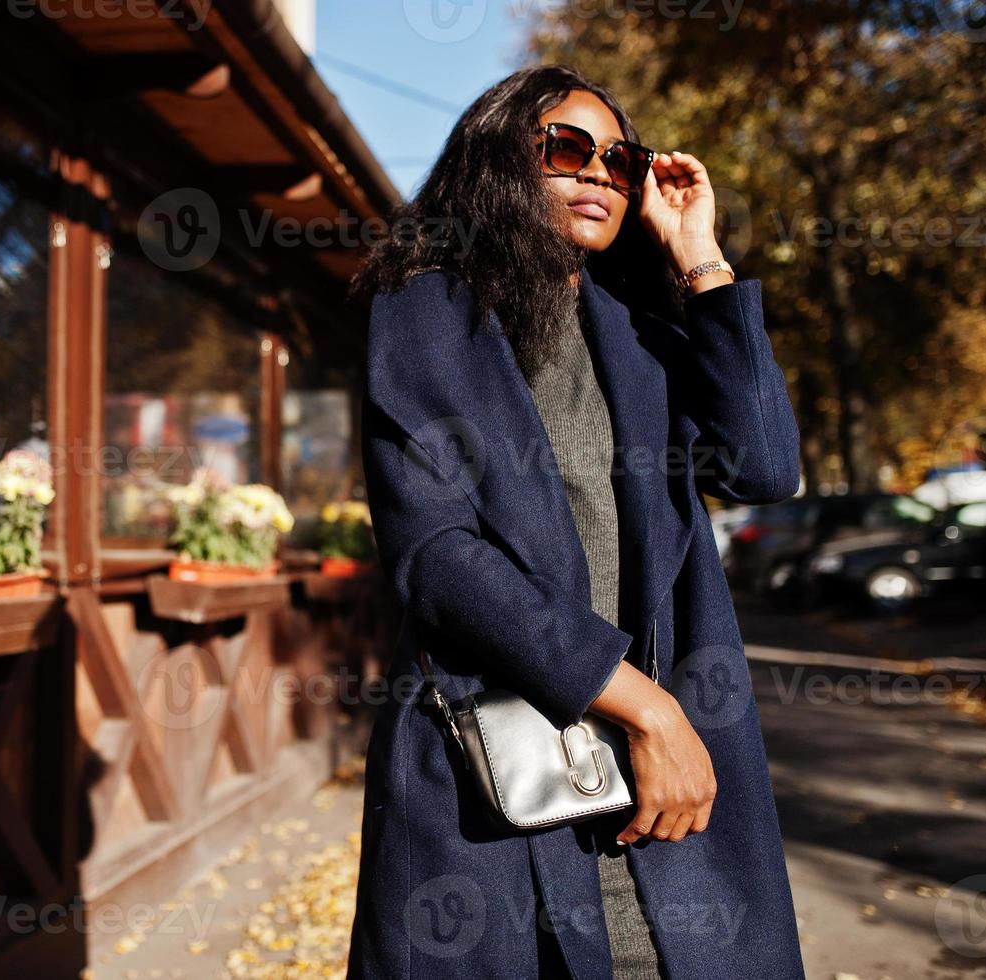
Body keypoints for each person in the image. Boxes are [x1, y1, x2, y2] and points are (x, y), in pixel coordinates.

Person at [345, 64, 807, 979]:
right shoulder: (425, 318)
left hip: (661, 802)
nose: (598, 173)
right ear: (498, 161)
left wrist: (701, 261)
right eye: (565, 148)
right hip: (494, 782)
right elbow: (437, 558)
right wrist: (643, 704)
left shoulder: (641, 335)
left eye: (620, 159)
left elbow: (763, 468)